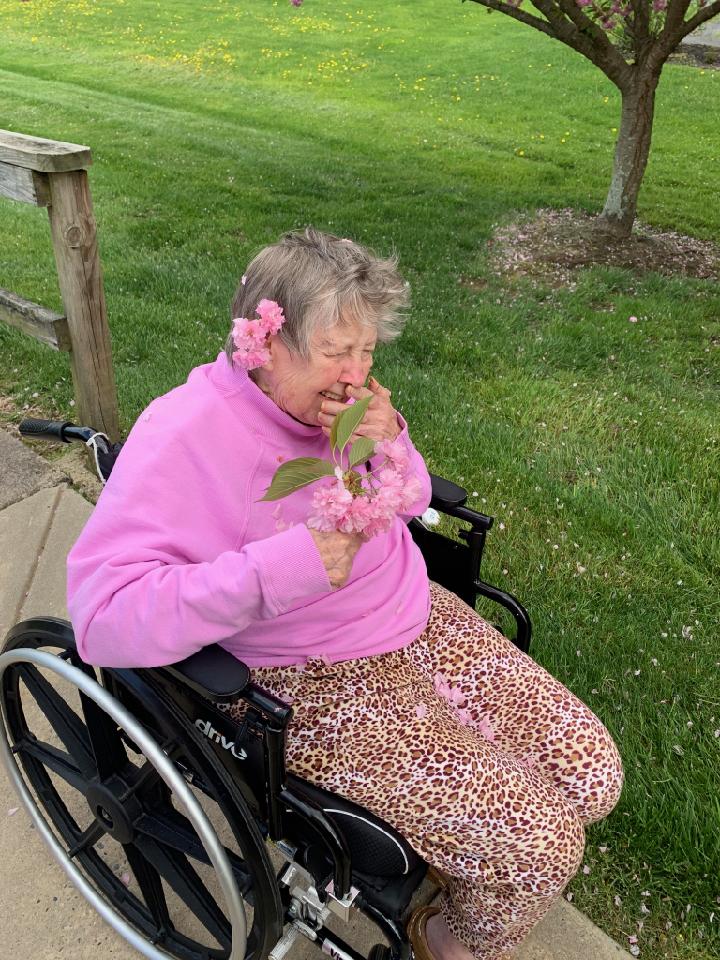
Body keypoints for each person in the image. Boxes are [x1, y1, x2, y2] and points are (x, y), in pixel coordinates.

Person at [67, 228, 623, 960]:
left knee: (591, 774)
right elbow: (102, 617)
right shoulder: (186, 435)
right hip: (313, 678)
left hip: (417, 617)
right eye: (337, 352)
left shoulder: (345, 409)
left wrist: (388, 439)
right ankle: (447, 938)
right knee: (540, 847)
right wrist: (284, 568)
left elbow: (412, 494)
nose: (356, 374)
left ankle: (470, 866)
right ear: (264, 343)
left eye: (367, 351)